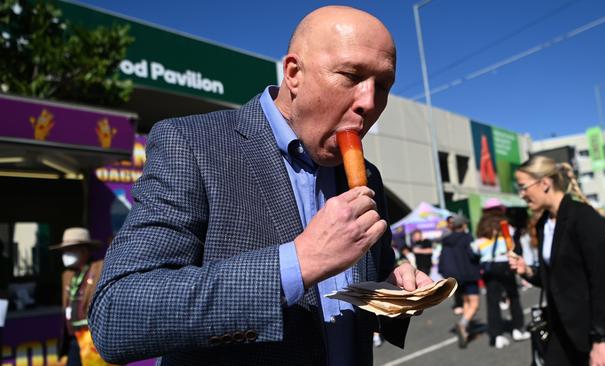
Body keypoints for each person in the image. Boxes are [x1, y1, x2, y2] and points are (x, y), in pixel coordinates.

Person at [88, 6, 432, 366]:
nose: (369, 101)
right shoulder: (191, 144)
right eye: (350, 75)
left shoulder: (367, 176)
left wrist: (395, 288)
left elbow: (359, 290)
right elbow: (116, 315)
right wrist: (299, 262)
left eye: (383, 85)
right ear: (294, 73)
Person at [510, 156, 605, 366]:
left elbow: (602, 283)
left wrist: (600, 341)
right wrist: (527, 271)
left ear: (545, 183)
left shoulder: (584, 218)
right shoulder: (544, 223)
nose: (522, 194)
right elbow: (556, 279)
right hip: (565, 329)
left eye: (523, 187)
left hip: (603, 331)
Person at [50, 227, 111, 366]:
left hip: (91, 339)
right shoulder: (67, 275)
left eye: (70, 250)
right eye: (64, 251)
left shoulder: (99, 268)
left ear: (84, 251)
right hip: (73, 338)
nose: (66, 254)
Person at [472, 200, 529, 349]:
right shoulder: (506, 225)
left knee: (492, 302)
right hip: (505, 264)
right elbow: (513, 246)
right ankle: (518, 329)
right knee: (513, 297)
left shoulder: (481, 228)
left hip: (488, 267)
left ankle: (496, 336)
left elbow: (476, 249)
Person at [438, 215, 480, 348]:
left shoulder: (446, 240)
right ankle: (463, 324)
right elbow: (473, 255)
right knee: (474, 304)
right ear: (463, 226)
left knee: (466, 302)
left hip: (456, 277)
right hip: (469, 275)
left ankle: (466, 329)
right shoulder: (467, 238)